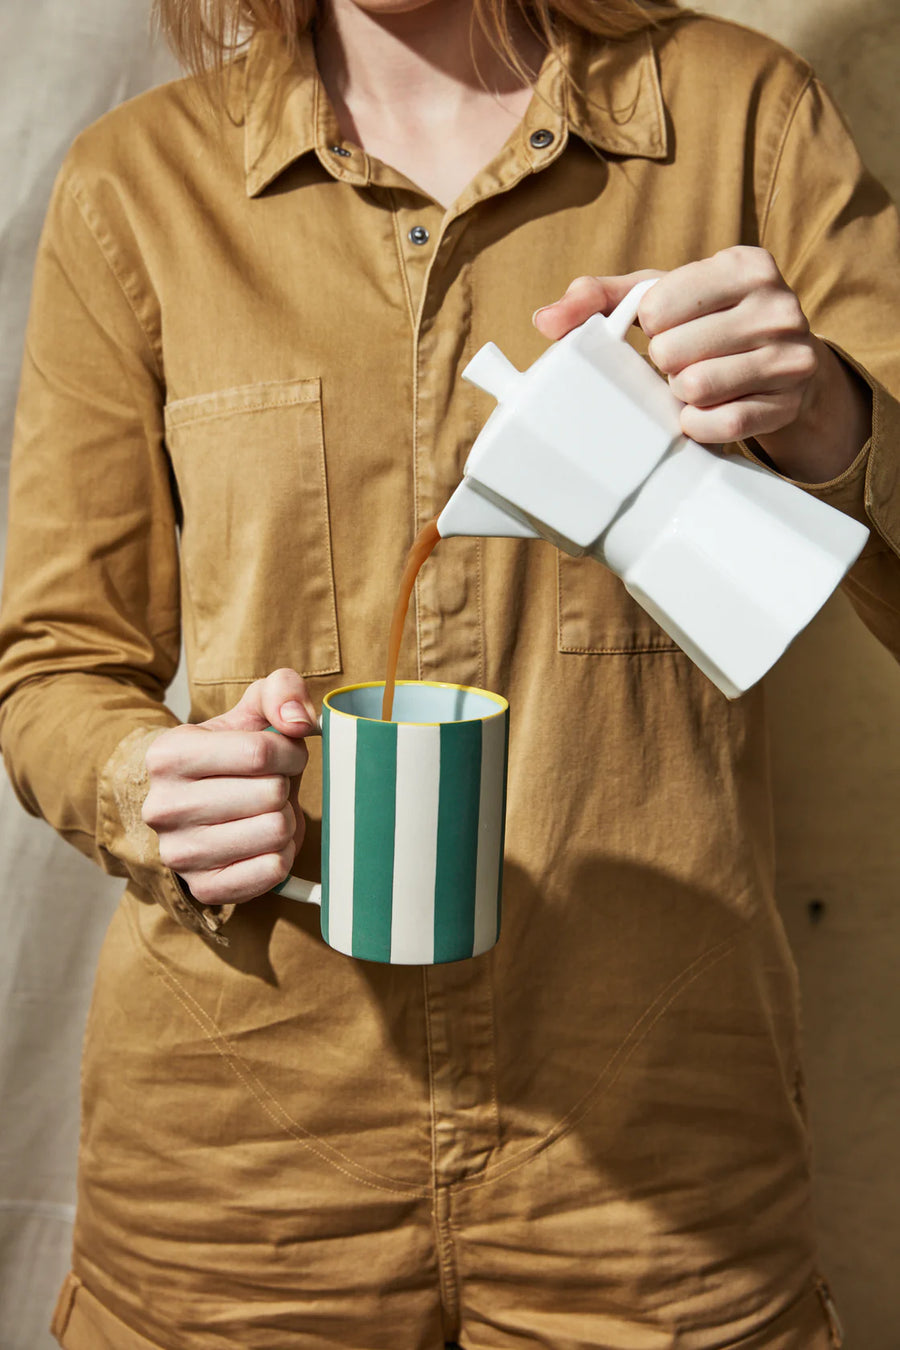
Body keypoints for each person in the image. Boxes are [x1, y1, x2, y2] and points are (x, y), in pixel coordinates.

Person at [1, 0, 898, 1344]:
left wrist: (833, 413)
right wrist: (149, 781)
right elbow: (54, 664)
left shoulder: (742, 124)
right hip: (239, 1174)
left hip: (658, 1168)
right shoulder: (141, 185)